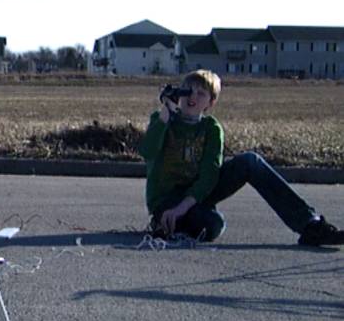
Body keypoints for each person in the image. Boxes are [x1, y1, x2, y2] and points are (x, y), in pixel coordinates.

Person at [138, 69, 344, 246]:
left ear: (210, 103)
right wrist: (165, 115)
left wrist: (184, 207)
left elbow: (209, 175)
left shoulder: (211, 128)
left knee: (250, 161)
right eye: (188, 90)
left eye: (201, 93)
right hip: (167, 197)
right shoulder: (162, 120)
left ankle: (310, 225)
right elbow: (147, 152)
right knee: (213, 224)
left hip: (197, 194)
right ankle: (165, 222)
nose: (192, 97)